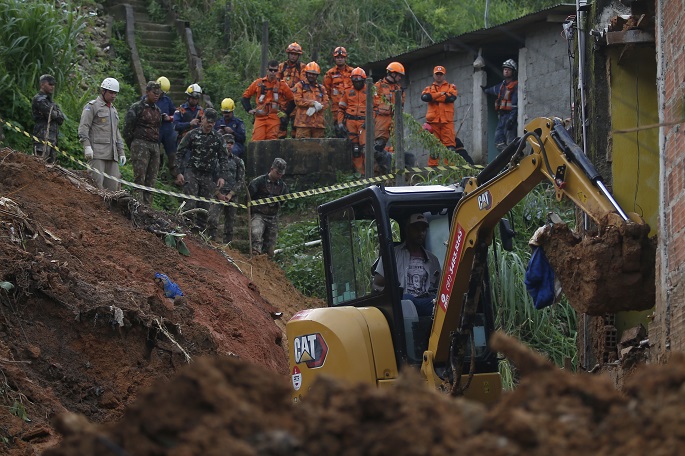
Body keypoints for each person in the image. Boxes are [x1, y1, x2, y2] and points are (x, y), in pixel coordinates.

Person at [373, 213, 440, 316]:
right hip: (404, 302)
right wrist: (394, 296)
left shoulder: (433, 259)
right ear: (407, 230)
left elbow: (438, 286)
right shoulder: (392, 254)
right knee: (407, 300)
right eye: (416, 229)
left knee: (441, 303)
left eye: (423, 229)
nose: (421, 233)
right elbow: (378, 283)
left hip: (426, 301)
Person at [173, 108, 228, 233]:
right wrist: (178, 172)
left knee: (204, 208)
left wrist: (222, 176)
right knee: (190, 204)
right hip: (192, 172)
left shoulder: (218, 138)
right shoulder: (192, 134)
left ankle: (199, 236)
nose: (210, 125)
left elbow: (224, 158)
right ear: (202, 119)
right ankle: (184, 231)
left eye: (213, 123)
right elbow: (180, 153)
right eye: (208, 121)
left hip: (208, 175)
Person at [78, 77, 126, 191]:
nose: (113, 95)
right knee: (96, 186)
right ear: (103, 91)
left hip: (112, 155)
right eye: (111, 92)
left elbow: (116, 132)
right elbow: (84, 127)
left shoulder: (113, 110)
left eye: (115, 93)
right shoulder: (92, 106)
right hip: (97, 154)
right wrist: (87, 146)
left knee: (113, 189)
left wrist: (121, 152)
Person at [421, 66, 474, 166]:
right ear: (434, 75)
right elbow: (425, 97)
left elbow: (451, 98)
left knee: (450, 148)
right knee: (434, 150)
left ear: (444, 75)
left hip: (447, 122)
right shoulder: (428, 88)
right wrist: (442, 94)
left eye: (441, 74)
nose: (439, 76)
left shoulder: (451, 87)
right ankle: (433, 172)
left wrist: (434, 97)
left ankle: (450, 171)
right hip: (433, 123)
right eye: (437, 74)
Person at [123, 81, 162, 205]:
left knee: (151, 181)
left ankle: (148, 208)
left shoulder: (157, 110)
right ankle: (137, 206)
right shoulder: (137, 107)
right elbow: (127, 128)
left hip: (154, 145)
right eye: (154, 93)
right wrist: (134, 145)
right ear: (147, 92)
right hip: (140, 144)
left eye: (158, 93)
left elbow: (158, 127)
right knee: (139, 180)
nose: (156, 95)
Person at [241, 60, 295, 141]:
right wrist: (249, 109)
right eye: (271, 70)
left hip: (274, 117)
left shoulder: (282, 84)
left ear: (278, 71)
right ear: (267, 70)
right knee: (257, 141)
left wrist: (285, 113)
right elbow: (245, 97)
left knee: (271, 142)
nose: (273, 72)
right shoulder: (258, 83)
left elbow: (292, 100)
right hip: (260, 118)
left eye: (275, 70)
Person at [207, 134, 245, 244]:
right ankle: (211, 242)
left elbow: (241, 180)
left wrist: (231, 194)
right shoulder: (214, 160)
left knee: (230, 224)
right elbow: (209, 178)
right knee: (212, 219)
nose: (229, 145)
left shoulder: (238, 161)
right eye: (226, 143)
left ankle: (227, 246)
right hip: (217, 194)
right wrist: (218, 193)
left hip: (231, 195)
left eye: (231, 143)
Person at [248, 158, 288, 256]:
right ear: (271, 169)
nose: (279, 175)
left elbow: (283, 200)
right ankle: (255, 255)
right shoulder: (258, 182)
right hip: (258, 214)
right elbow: (248, 197)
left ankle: (267, 263)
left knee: (270, 246)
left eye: (281, 174)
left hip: (272, 216)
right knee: (256, 233)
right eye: (277, 172)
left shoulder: (283, 186)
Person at [373, 62, 406, 174]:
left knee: (397, 144)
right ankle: (378, 171)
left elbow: (402, 104)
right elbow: (372, 104)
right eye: (399, 75)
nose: (400, 78)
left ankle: (394, 170)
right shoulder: (379, 86)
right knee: (379, 145)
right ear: (392, 73)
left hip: (395, 119)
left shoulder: (399, 88)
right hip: (381, 118)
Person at [482, 59, 518, 150]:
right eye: (505, 69)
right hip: (502, 117)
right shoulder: (502, 85)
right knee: (499, 141)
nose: (506, 71)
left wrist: (511, 119)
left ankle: (515, 158)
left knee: (511, 141)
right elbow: (492, 90)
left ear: (513, 72)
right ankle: (508, 157)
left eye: (508, 69)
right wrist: (484, 89)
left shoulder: (515, 86)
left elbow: (514, 105)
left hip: (509, 117)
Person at [338, 67, 368, 174]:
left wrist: (370, 121)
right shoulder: (347, 92)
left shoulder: (370, 91)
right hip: (350, 122)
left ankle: (370, 173)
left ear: (363, 80)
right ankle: (360, 174)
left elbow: (375, 108)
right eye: (355, 81)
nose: (357, 83)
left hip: (364, 122)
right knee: (355, 150)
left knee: (366, 149)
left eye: (359, 81)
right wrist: (340, 123)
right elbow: (341, 109)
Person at [31, 74, 65, 164]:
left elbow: (61, 118)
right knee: (39, 165)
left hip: (52, 139)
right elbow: (51, 114)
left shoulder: (51, 102)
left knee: (50, 168)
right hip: (42, 138)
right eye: (50, 84)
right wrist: (56, 114)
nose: (52, 87)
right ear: (42, 84)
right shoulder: (39, 99)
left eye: (53, 85)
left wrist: (56, 114)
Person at [292, 62, 329, 138]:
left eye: (314, 74)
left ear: (317, 75)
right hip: (303, 123)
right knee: (302, 147)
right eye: (310, 73)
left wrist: (319, 106)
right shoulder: (300, 85)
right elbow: (298, 100)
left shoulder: (321, 88)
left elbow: (326, 102)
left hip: (318, 124)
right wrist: (312, 103)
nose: (311, 76)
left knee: (318, 147)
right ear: (306, 73)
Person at [323, 46, 353, 137]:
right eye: (338, 58)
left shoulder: (353, 72)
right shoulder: (330, 73)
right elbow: (326, 91)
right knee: (339, 132)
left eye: (342, 58)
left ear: (345, 58)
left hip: (350, 108)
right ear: (335, 58)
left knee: (351, 133)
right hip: (336, 109)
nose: (340, 59)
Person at [277, 42, 305, 138]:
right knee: (280, 127)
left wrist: (292, 91)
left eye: (295, 54)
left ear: (298, 56)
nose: (293, 56)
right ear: (288, 54)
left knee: (295, 128)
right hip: (282, 103)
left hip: (296, 103)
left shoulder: (302, 68)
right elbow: (277, 82)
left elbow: (303, 84)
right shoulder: (281, 67)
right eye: (292, 54)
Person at [154, 76, 178, 177]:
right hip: (155, 128)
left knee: (172, 151)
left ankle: (174, 173)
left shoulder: (167, 100)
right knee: (156, 152)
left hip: (167, 129)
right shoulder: (150, 99)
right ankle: (156, 172)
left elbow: (176, 113)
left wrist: (170, 118)